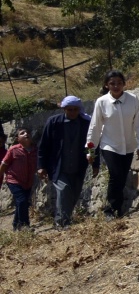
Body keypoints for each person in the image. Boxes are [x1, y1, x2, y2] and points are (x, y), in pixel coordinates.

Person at [86, 70, 139, 219]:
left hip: (127, 145)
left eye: (119, 83)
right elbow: (95, 126)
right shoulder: (101, 102)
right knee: (115, 175)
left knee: (121, 176)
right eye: (112, 83)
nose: (116, 86)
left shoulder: (133, 100)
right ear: (107, 85)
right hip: (109, 145)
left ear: (124, 84)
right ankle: (110, 210)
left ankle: (118, 209)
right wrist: (91, 150)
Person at [37, 95, 91, 227]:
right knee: (64, 190)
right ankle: (61, 222)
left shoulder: (85, 123)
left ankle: (65, 218)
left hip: (78, 166)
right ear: (64, 109)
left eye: (75, 109)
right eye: (69, 109)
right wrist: (41, 166)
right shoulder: (54, 122)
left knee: (74, 194)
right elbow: (44, 145)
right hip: (58, 166)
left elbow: (92, 145)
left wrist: (95, 164)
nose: (72, 112)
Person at [1, 127, 37, 230]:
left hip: (28, 182)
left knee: (21, 202)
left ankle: (16, 224)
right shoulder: (13, 150)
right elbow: (4, 164)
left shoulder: (35, 150)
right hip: (13, 180)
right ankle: (25, 225)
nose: (26, 134)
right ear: (17, 139)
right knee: (22, 201)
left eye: (27, 132)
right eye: (22, 133)